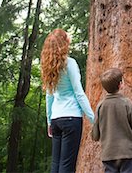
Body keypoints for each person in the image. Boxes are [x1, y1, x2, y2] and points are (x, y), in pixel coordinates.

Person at [41, 28, 94, 173]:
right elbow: (79, 93)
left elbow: (49, 96)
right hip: (71, 119)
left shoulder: (48, 66)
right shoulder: (69, 63)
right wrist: (94, 119)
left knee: (56, 164)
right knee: (67, 166)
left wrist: (49, 122)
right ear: (64, 43)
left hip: (56, 119)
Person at [91, 67, 132, 173]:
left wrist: (95, 135)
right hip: (127, 152)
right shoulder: (126, 103)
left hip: (108, 154)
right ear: (120, 85)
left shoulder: (100, 106)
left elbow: (95, 134)